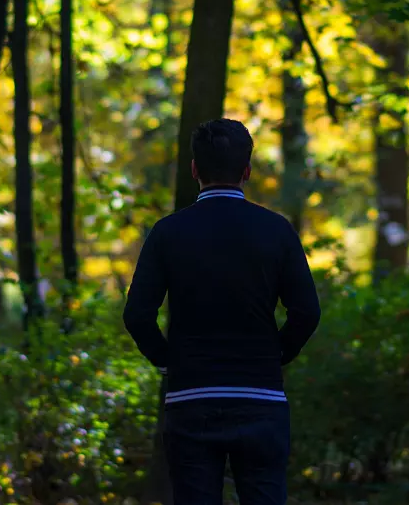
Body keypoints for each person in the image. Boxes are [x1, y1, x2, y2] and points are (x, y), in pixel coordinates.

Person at [123, 118, 321, 505]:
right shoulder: (277, 230)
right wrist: (277, 355)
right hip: (261, 398)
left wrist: (169, 361)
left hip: (191, 399)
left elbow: (137, 316)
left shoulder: (167, 232)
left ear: (194, 169)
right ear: (246, 171)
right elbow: (307, 312)